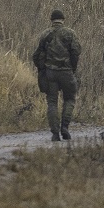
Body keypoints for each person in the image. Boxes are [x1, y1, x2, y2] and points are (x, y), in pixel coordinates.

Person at [33, 10, 81, 142]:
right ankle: (64, 127)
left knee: (52, 102)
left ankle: (55, 133)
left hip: (51, 73)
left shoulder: (45, 34)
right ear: (63, 19)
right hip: (66, 72)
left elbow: (36, 56)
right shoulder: (70, 33)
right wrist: (72, 67)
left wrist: (42, 69)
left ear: (51, 20)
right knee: (70, 99)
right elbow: (76, 52)